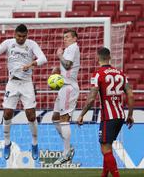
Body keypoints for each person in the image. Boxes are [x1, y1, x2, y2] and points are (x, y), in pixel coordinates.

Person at [0, 24, 47, 160]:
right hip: (12, 83)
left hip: (26, 84)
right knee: (7, 114)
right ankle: (7, 143)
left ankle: (35, 143)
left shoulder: (31, 44)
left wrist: (31, 64)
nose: (21, 38)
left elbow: (43, 59)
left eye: (24, 36)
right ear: (14, 34)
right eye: (19, 36)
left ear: (27, 35)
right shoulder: (8, 43)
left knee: (31, 116)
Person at [77, 47, 134, 177]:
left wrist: (81, 114)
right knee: (107, 146)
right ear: (110, 57)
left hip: (108, 117)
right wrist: (130, 115)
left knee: (105, 148)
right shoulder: (121, 74)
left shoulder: (98, 74)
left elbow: (91, 98)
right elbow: (130, 95)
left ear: (97, 58)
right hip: (120, 116)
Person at [51, 29, 80, 165]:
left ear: (75, 38)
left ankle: (66, 152)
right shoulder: (69, 49)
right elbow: (65, 66)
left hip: (69, 87)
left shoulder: (73, 48)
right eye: (64, 37)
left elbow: (68, 65)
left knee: (64, 119)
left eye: (67, 37)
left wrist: (59, 56)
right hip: (63, 87)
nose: (65, 39)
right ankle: (68, 147)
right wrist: (57, 71)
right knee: (55, 118)